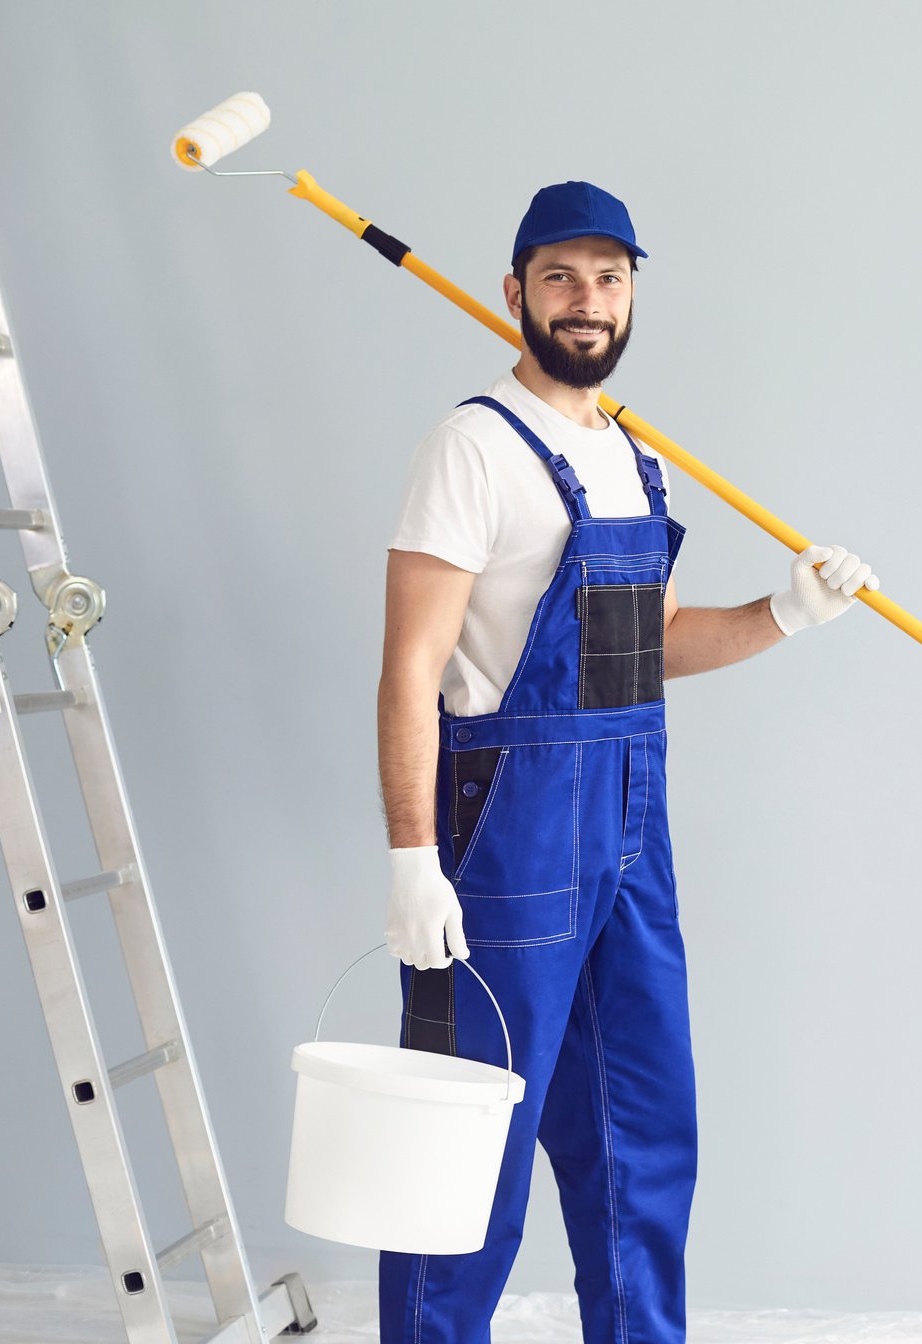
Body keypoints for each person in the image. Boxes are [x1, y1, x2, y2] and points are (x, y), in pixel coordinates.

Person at [374, 180, 876, 1344]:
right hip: (508, 840)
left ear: (633, 292)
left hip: (629, 839)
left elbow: (640, 654)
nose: (586, 301)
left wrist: (784, 612)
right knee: (468, 1146)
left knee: (641, 1133)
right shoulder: (472, 448)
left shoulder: (632, 454)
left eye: (608, 278)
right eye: (559, 276)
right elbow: (410, 669)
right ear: (515, 292)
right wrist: (410, 860)